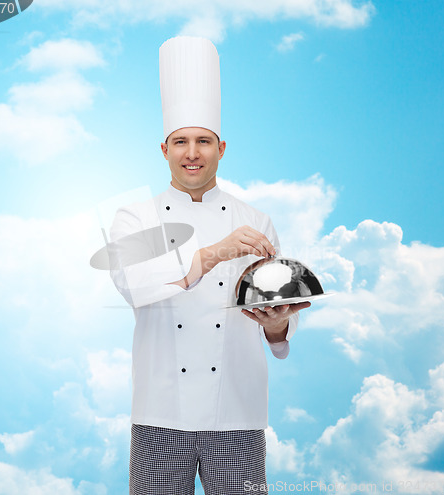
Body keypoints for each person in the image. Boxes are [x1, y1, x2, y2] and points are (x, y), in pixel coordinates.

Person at [109, 36, 310, 495]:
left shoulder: (256, 221)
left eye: (203, 141)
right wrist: (217, 251)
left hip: (237, 413)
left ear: (222, 147)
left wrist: (277, 325)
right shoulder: (134, 218)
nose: (192, 152)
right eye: (181, 142)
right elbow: (133, 282)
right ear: (164, 149)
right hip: (159, 414)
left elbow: (275, 329)